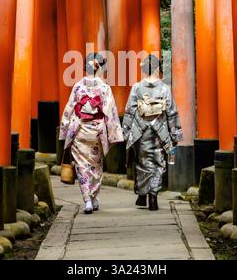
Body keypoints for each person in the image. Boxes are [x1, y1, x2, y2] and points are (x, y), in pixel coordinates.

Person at [59, 53, 123, 214]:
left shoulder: (78, 86)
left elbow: (69, 109)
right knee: (96, 166)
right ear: (100, 68)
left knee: (81, 166)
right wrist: (114, 134)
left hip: (79, 131)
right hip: (96, 133)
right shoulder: (104, 88)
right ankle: (93, 197)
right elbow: (110, 112)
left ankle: (87, 199)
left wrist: (64, 131)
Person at [122, 55, 183, 211]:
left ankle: (143, 194)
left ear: (144, 70)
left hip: (141, 131)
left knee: (142, 163)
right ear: (157, 69)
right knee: (158, 162)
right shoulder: (165, 88)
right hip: (159, 131)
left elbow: (129, 111)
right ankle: (153, 196)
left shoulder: (137, 87)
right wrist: (175, 134)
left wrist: (125, 131)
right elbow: (172, 112)